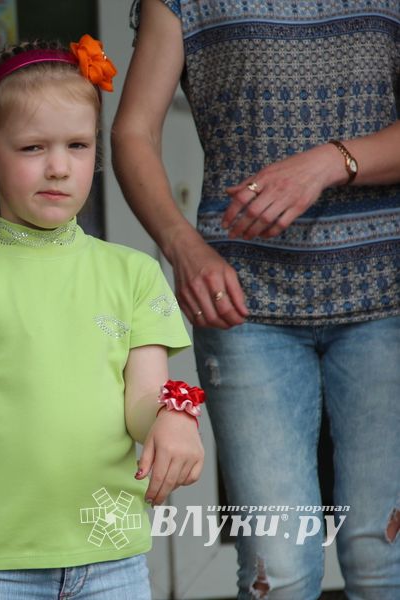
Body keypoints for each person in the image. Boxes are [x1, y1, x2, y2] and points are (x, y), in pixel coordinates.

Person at [111, 2, 400, 599]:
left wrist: (330, 161)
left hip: (385, 295)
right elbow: (133, 132)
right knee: (280, 564)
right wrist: (180, 246)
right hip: (243, 304)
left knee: (384, 559)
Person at [0, 36, 204, 600]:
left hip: (112, 561)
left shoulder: (134, 275)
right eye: (33, 148)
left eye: (78, 145)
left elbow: (144, 402)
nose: (60, 167)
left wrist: (175, 416)